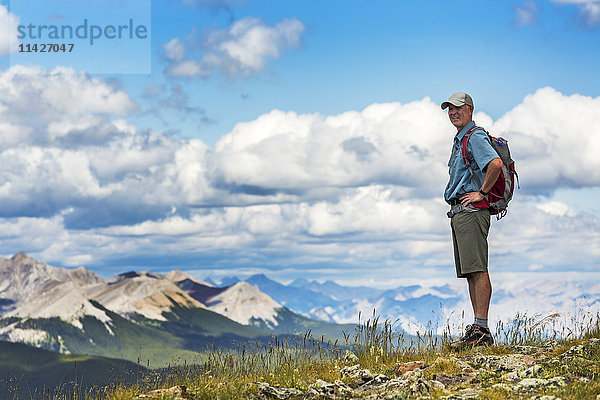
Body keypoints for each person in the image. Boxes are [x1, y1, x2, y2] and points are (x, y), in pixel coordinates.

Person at [441, 92, 503, 350]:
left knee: (478, 269)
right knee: (470, 272)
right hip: (460, 214)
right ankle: (478, 329)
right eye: (450, 109)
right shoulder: (460, 140)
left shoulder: (474, 136)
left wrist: (482, 192)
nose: (453, 112)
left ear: (470, 109)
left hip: (471, 212)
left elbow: (496, 164)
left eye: (458, 108)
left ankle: (483, 330)